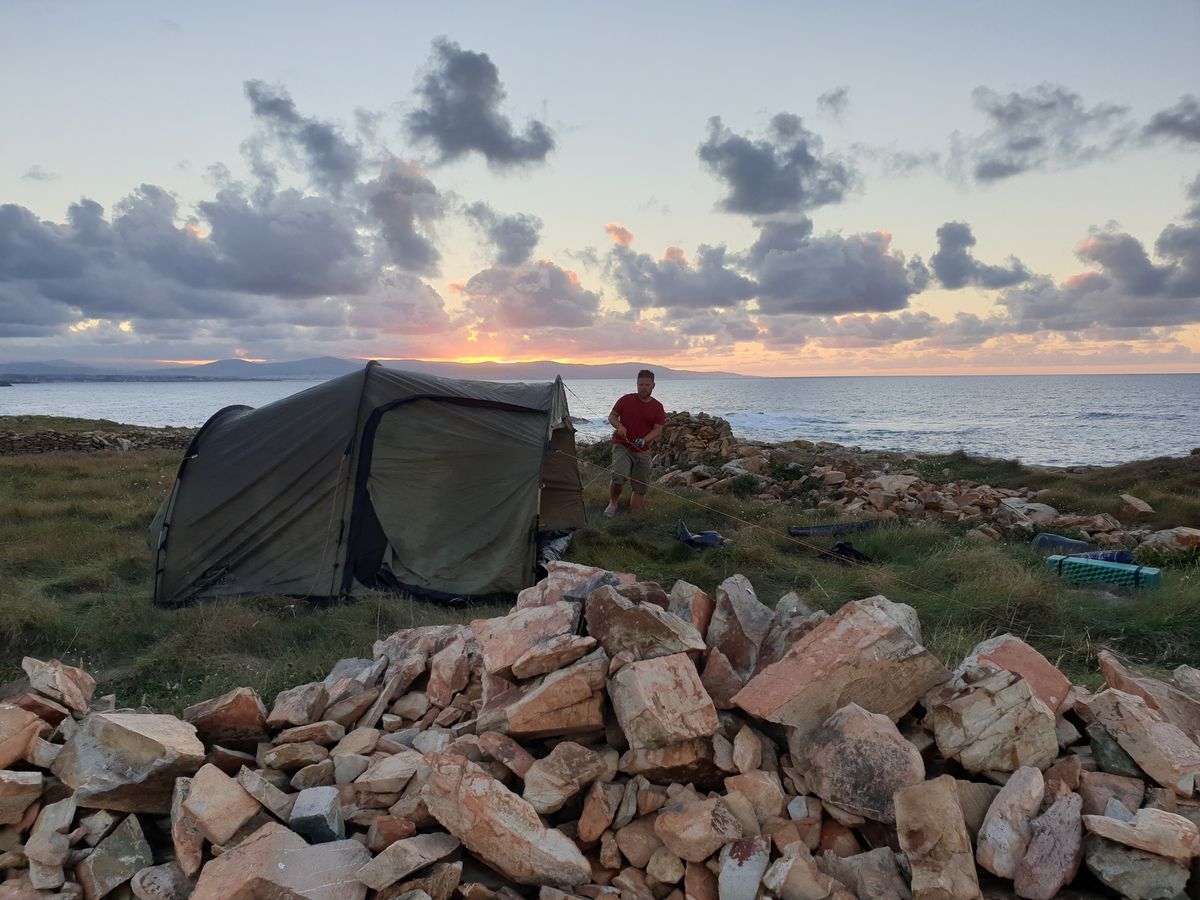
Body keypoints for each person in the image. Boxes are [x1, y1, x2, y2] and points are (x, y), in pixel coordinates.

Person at [605, 369, 666, 516]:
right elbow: (612, 416)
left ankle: (635, 513)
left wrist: (644, 440)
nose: (643, 387)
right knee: (619, 477)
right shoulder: (626, 400)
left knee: (640, 486)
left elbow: (658, 430)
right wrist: (619, 427)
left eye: (646, 384)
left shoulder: (658, 407)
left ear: (653, 385)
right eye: (640, 384)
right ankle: (613, 503)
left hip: (643, 450)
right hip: (622, 445)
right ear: (636, 384)